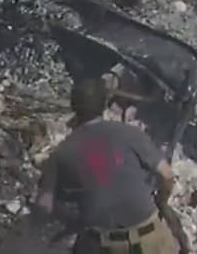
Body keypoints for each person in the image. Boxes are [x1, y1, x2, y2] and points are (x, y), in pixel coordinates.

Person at [36, 77, 180, 254]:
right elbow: (167, 175)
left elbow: (44, 206)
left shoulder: (61, 153)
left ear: (73, 107)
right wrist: (162, 202)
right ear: (104, 104)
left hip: (105, 245)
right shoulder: (131, 134)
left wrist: (72, 219)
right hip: (150, 239)